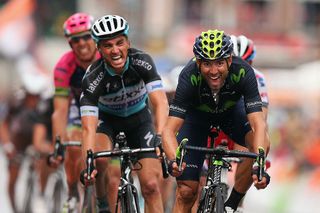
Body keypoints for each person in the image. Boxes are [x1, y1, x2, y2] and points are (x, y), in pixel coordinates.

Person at [162, 29, 270, 213]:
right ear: (198, 63)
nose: (213, 71)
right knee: (186, 192)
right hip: (197, 119)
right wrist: (174, 160)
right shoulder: (188, 76)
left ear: (229, 60)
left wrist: (259, 166)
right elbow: (168, 130)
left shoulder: (244, 72)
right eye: (207, 64)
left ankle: (231, 204)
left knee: (262, 143)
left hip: (231, 115)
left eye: (219, 63)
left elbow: (258, 123)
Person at [79, 15, 169, 213]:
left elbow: (160, 102)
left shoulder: (143, 62)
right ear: (99, 49)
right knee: (101, 160)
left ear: (128, 42)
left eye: (120, 43)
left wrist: (161, 134)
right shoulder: (93, 78)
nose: (115, 50)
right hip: (108, 122)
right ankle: (102, 202)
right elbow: (88, 127)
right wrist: (88, 162)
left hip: (140, 121)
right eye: (108, 45)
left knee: (151, 186)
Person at [47, 12, 118, 211]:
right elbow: (59, 111)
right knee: (71, 144)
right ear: (70, 43)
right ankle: (71, 192)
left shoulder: (107, 59)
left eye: (86, 36)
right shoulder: (64, 66)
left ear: (95, 38)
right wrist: (57, 144)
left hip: (109, 115)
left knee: (112, 178)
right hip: (79, 112)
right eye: (75, 39)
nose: (82, 43)